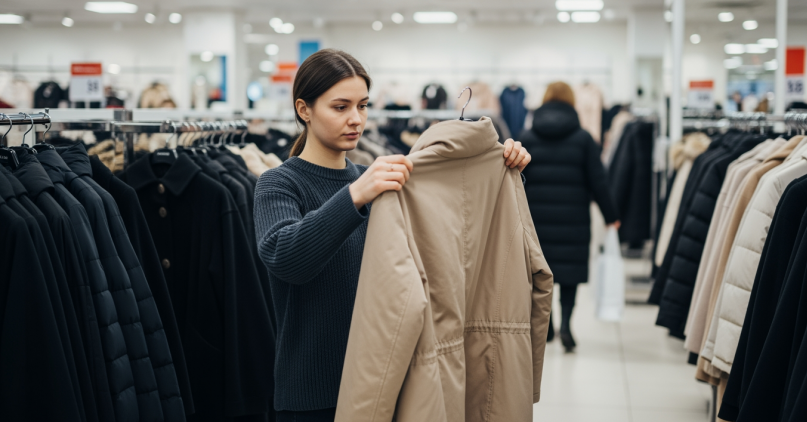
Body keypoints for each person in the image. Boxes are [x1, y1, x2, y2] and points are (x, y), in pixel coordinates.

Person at [252, 49, 532, 421]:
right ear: (304, 109)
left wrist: (502, 172)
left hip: (384, 383)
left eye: (363, 106)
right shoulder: (280, 183)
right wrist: (355, 196)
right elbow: (285, 257)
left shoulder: (377, 177)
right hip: (314, 394)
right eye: (340, 107)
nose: (356, 119)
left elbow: (454, 222)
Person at [518, 81, 620, 353]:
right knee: (570, 275)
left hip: (536, 219)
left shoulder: (526, 137)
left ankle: (547, 325)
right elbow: (599, 181)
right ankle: (567, 326)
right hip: (573, 219)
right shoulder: (583, 138)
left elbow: (515, 181)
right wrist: (611, 216)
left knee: (541, 273)